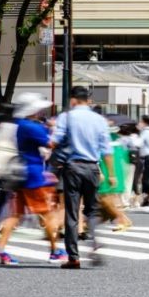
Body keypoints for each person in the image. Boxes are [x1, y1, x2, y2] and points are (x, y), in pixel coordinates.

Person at [0, 93, 64, 265]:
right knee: (47, 212)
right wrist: (56, 130)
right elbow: (50, 143)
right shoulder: (31, 126)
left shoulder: (16, 124)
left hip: (19, 173)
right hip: (33, 174)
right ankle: (55, 251)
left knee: (15, 214)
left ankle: (0, 250)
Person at [51, 86, 114, 270]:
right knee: (92, 209)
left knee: (72, 212)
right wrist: (110, 174)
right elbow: (107, 149)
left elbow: (55, 141)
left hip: (73, 167)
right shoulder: (99, 120)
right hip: (93, 167)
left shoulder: (66, 117)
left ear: (72, 100)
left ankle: (74, 257)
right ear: (87, 100)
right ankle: (94, 241)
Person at [99, 119, 133, 233]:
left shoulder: (105, 140)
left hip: (107, 172)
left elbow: (104, 157)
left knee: (106, 199)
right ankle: (87, 224)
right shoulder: (118, 140)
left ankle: (123, 220)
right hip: (117, 172)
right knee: (109, 199)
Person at [134, 116, 149, 207]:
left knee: (145, 180)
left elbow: (138, 143)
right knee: (145, 180)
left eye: (140, 121)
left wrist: (135, 136)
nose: (139, 123)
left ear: (145, 122)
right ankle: (146, 200)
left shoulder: (146, 132)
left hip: (147, 157)